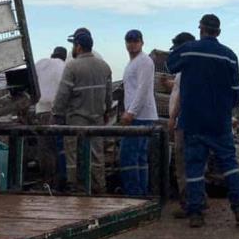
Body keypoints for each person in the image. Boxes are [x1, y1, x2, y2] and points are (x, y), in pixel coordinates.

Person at [166, 14, 239, 228]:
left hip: (192, 121)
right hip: (220, 122)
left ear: (200, 29)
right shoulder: (229, 56)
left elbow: (170, 64)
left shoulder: (189, 50)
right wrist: (222, 109)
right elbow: (236, 92)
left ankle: (196, 213)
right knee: (229, 164)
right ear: (218, 32)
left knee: (194, 167)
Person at [52, 28, 113, 194]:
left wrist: (57, 115)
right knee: (96, 154)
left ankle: (75, 187)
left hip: (76, 119)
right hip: (97, 119)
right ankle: (99, 187)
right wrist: (106, 111)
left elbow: (63, 95)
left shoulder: (72, 66)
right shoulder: (104, 67)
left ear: (78, 46)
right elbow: (109, 95)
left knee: (73, 155)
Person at [119, 29, 158, 196]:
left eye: (135, 41)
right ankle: (141, 191)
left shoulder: (144, 61)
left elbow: (142, 89)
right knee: (140, 156)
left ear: (142, 42)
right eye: (129, 41)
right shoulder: (133, 63)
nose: (132, 44)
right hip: (141, 115)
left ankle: (133, 193)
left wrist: (131, 112)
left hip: (139, 116)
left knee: (128, 154)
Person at [166, 31, 196, 218]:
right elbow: (179, 87)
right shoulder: (189, 68)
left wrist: (172, 117)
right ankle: (197, 200)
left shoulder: (186, 67)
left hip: (183, 122)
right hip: (192, 121)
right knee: (194, 163)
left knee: (183, 163)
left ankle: (188, 203)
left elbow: (183, 96)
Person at [34, 46, 67, 187]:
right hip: (56, 113)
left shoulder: (40, 63)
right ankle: (58, 183)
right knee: (58, 148)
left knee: (44, 149)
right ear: (64, 57)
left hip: (40, 111)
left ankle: (46, 181)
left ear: (52, 54)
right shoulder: (64, 66)